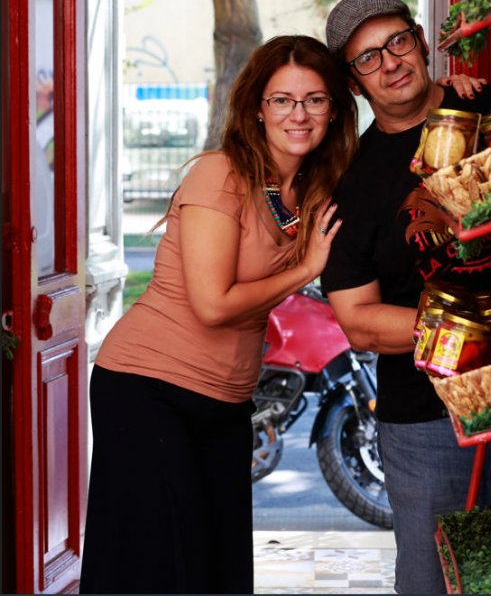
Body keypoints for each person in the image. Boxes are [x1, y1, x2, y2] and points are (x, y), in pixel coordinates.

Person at [320, 0, 491, 595]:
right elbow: (359, 322)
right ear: (354, 80)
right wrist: (480, 326)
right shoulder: (356, 184)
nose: (389, 62)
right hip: (427, 420)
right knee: (432, 583)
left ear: (418, 40)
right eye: (368, 58)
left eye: (397, 42)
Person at [79, 35, 359, 595]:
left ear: (334, 110)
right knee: (160, 571)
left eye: (315, 100)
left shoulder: (308, 188)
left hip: (227, 402)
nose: (298, 114)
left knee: (220, 571)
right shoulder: (220, 174)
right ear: (258, 107)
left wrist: (448, 96)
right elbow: (212, 304)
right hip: (148, 389)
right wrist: (305, 269)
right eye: (282, 99)